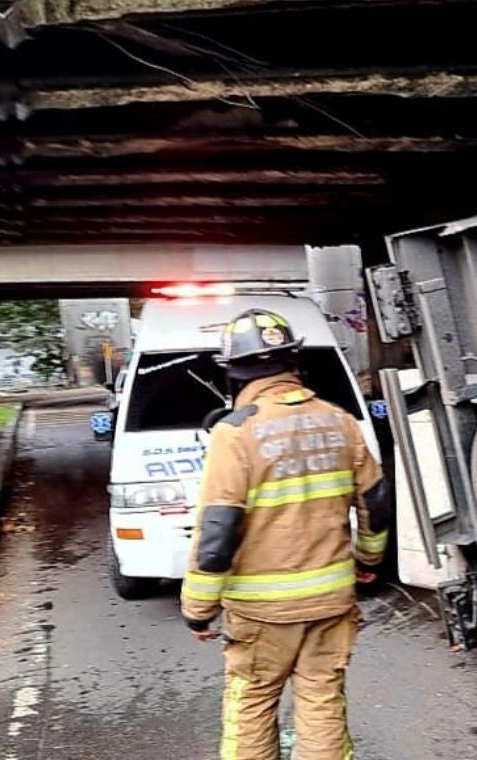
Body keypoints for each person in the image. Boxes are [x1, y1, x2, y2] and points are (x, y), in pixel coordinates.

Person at [181, 308, 392, 760]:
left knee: (252, 701)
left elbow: (218, 530)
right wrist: (368, 561)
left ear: (235, 372)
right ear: (294, 362)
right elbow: (376, 504)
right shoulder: (339, 421)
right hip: (331, 600)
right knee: (321, 699)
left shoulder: (235, 433)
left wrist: (198, 609)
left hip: (262, 611)